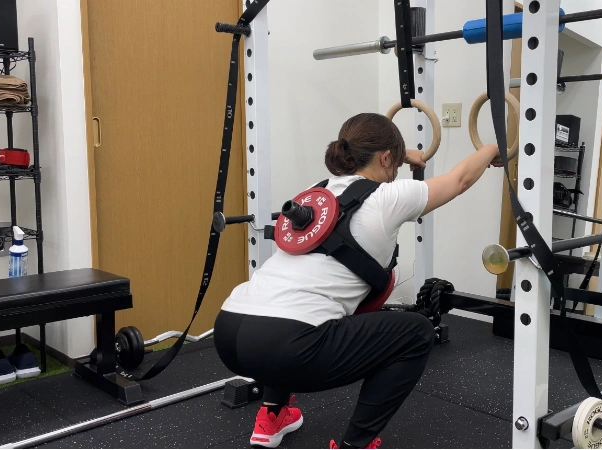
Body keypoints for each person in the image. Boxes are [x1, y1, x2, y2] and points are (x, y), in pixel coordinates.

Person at [214, 112, 501, 449]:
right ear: (385, 158)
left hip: (230, 331)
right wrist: (492, 148)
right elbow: (460, 180)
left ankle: (273, 416)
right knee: (417, 332)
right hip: (290, 346)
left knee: (301, 309)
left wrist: (400, 154)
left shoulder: (314, 193)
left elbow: (372, 159)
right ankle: (356, 444)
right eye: (393, 163)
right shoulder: (388, 198)